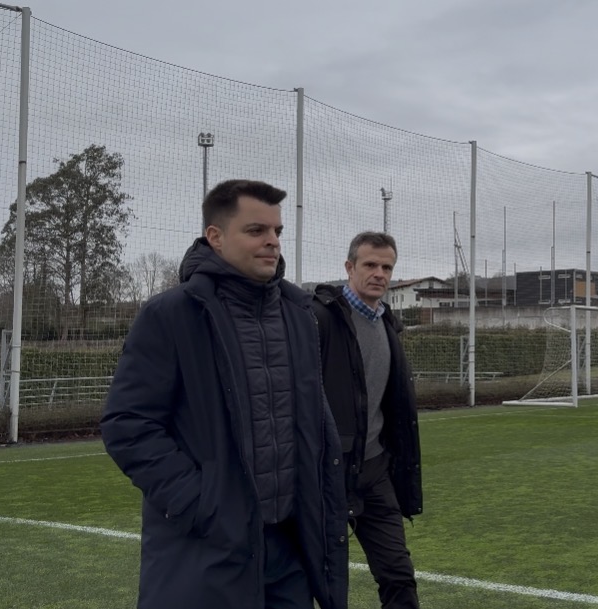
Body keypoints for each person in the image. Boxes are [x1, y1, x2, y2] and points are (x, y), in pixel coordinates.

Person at [100, 180, 348, 609]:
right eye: (256, 231)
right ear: (215, 237)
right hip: (208, 548)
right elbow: (128, 424)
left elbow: (312, 421)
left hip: (290, 550)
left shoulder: (300, 314)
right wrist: (202, 505)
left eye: (277, 231)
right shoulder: (171, 314)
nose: (272, 242)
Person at [311, 232, 422, 609]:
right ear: (349, 267)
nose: (379, 274)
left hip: (375, 472)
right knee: (320, 581)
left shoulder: (388, 324)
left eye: (387, 267)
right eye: (370, 265)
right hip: (324, 474)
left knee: (398, 574)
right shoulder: (320, 318)